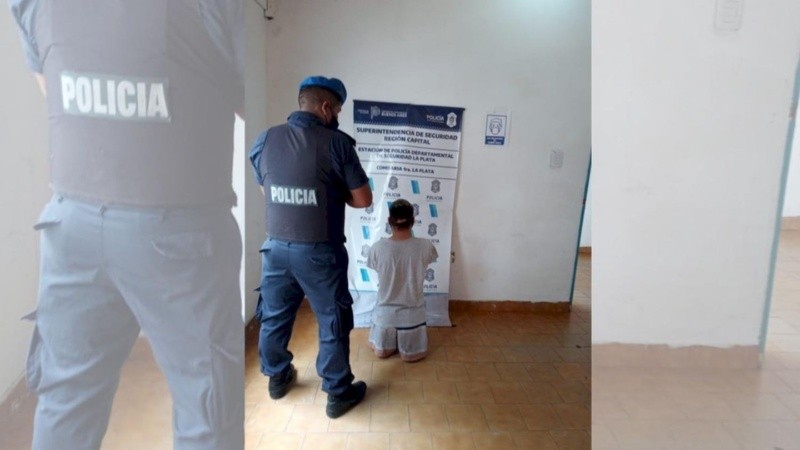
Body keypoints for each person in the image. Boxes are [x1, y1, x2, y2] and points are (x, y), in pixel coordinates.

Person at [8, 1, 245, 449]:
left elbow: (52, 89)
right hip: (181, 239)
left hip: (70, 229)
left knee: (66, 402)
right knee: (207, 408)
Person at [248, 76, 373, 419]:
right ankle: (337, 392)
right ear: (325, 107)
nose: (337, 117)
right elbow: (363, 199)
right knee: (332, 318)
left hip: (274, 248)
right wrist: (331, 194)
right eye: (337, 110)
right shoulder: (336, 144)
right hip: (319, 253)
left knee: (274, 315)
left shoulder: (266, 139)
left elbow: (266, 189)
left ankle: (276, 377)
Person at [366, 199, 438, 362]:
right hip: (412, 315)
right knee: (410, 357)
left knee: (382, 353)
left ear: (389, 222)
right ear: (412, 221)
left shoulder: (377, 248)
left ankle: (389, 341)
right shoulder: (426, 246)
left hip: (385, 316)